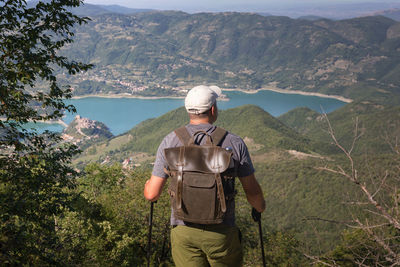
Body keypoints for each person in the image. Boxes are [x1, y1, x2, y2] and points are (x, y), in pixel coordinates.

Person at [144, 85, 266, 267]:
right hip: (222, 233)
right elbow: (253, 192)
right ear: (213, 109)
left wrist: (147, 184)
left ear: (188, 110)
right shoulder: (234, 142)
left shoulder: (170, 141)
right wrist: (260, 208)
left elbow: (152, 195)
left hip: (184, 232)